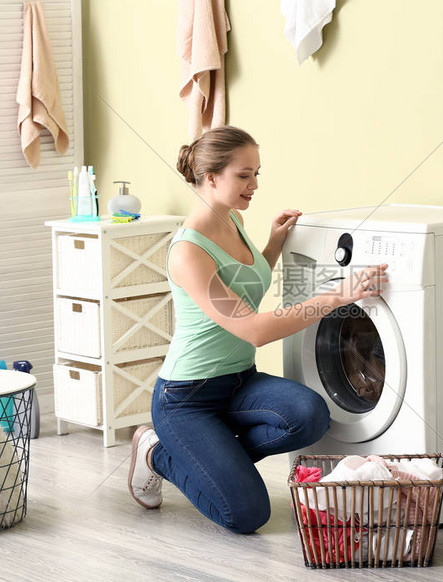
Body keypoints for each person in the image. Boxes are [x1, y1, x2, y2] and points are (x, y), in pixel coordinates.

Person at [127, 126, 389, 534]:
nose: (254, 185)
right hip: (187, 399)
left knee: (309, 415)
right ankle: (156, 453)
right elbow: (253, 329)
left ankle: (213, 460)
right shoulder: (188, 252)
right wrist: (340, 296)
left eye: (257, 174)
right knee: (246, 514)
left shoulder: (231, 219)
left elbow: (247, 284)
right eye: (244, 175)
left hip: (239, 383)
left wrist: (273, 244)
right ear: (211, 178)